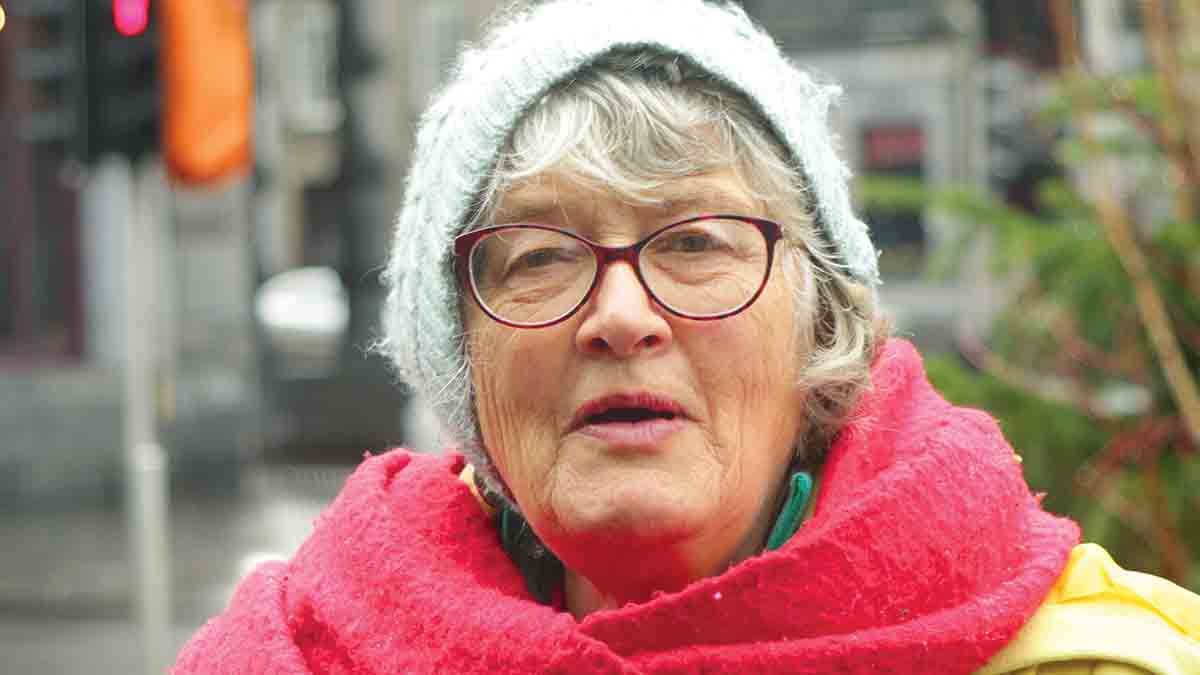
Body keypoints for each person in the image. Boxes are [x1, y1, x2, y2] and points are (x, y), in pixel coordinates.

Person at [173, 1, 1200, 673]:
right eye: (541, 257)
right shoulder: (305, 649)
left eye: (696, 243)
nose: (621, 317)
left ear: (819, 324)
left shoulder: (1102, 661)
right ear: (460, 359)